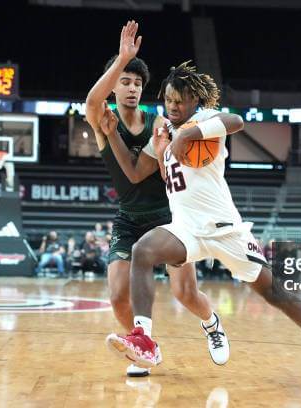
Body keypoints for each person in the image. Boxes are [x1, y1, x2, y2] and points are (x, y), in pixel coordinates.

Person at [108, 56, 301, 381]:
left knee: (273, 292)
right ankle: (144, 338)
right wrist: (120, 138)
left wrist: (187, 136)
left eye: (180, 100)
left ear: (194, 100)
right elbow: (138, 172)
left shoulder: (207, 119)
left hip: (226, 231)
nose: (173, 105)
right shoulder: (163, 131)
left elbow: (236, 120)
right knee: (143, 250)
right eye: (168, 99)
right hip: (186, 229)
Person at [85, 20, 229, 377]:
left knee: (185, 294)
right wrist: (122, 59)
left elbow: (135, 173)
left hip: (167, 216)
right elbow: (91, 100)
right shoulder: (101, 116)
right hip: (129, 217)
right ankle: (143, 347)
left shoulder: (159, 125)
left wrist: (115, 137)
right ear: (113, 84)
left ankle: (212, 323)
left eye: (137, 83)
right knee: (118, 294)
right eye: (124, 81)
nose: (132, 88)